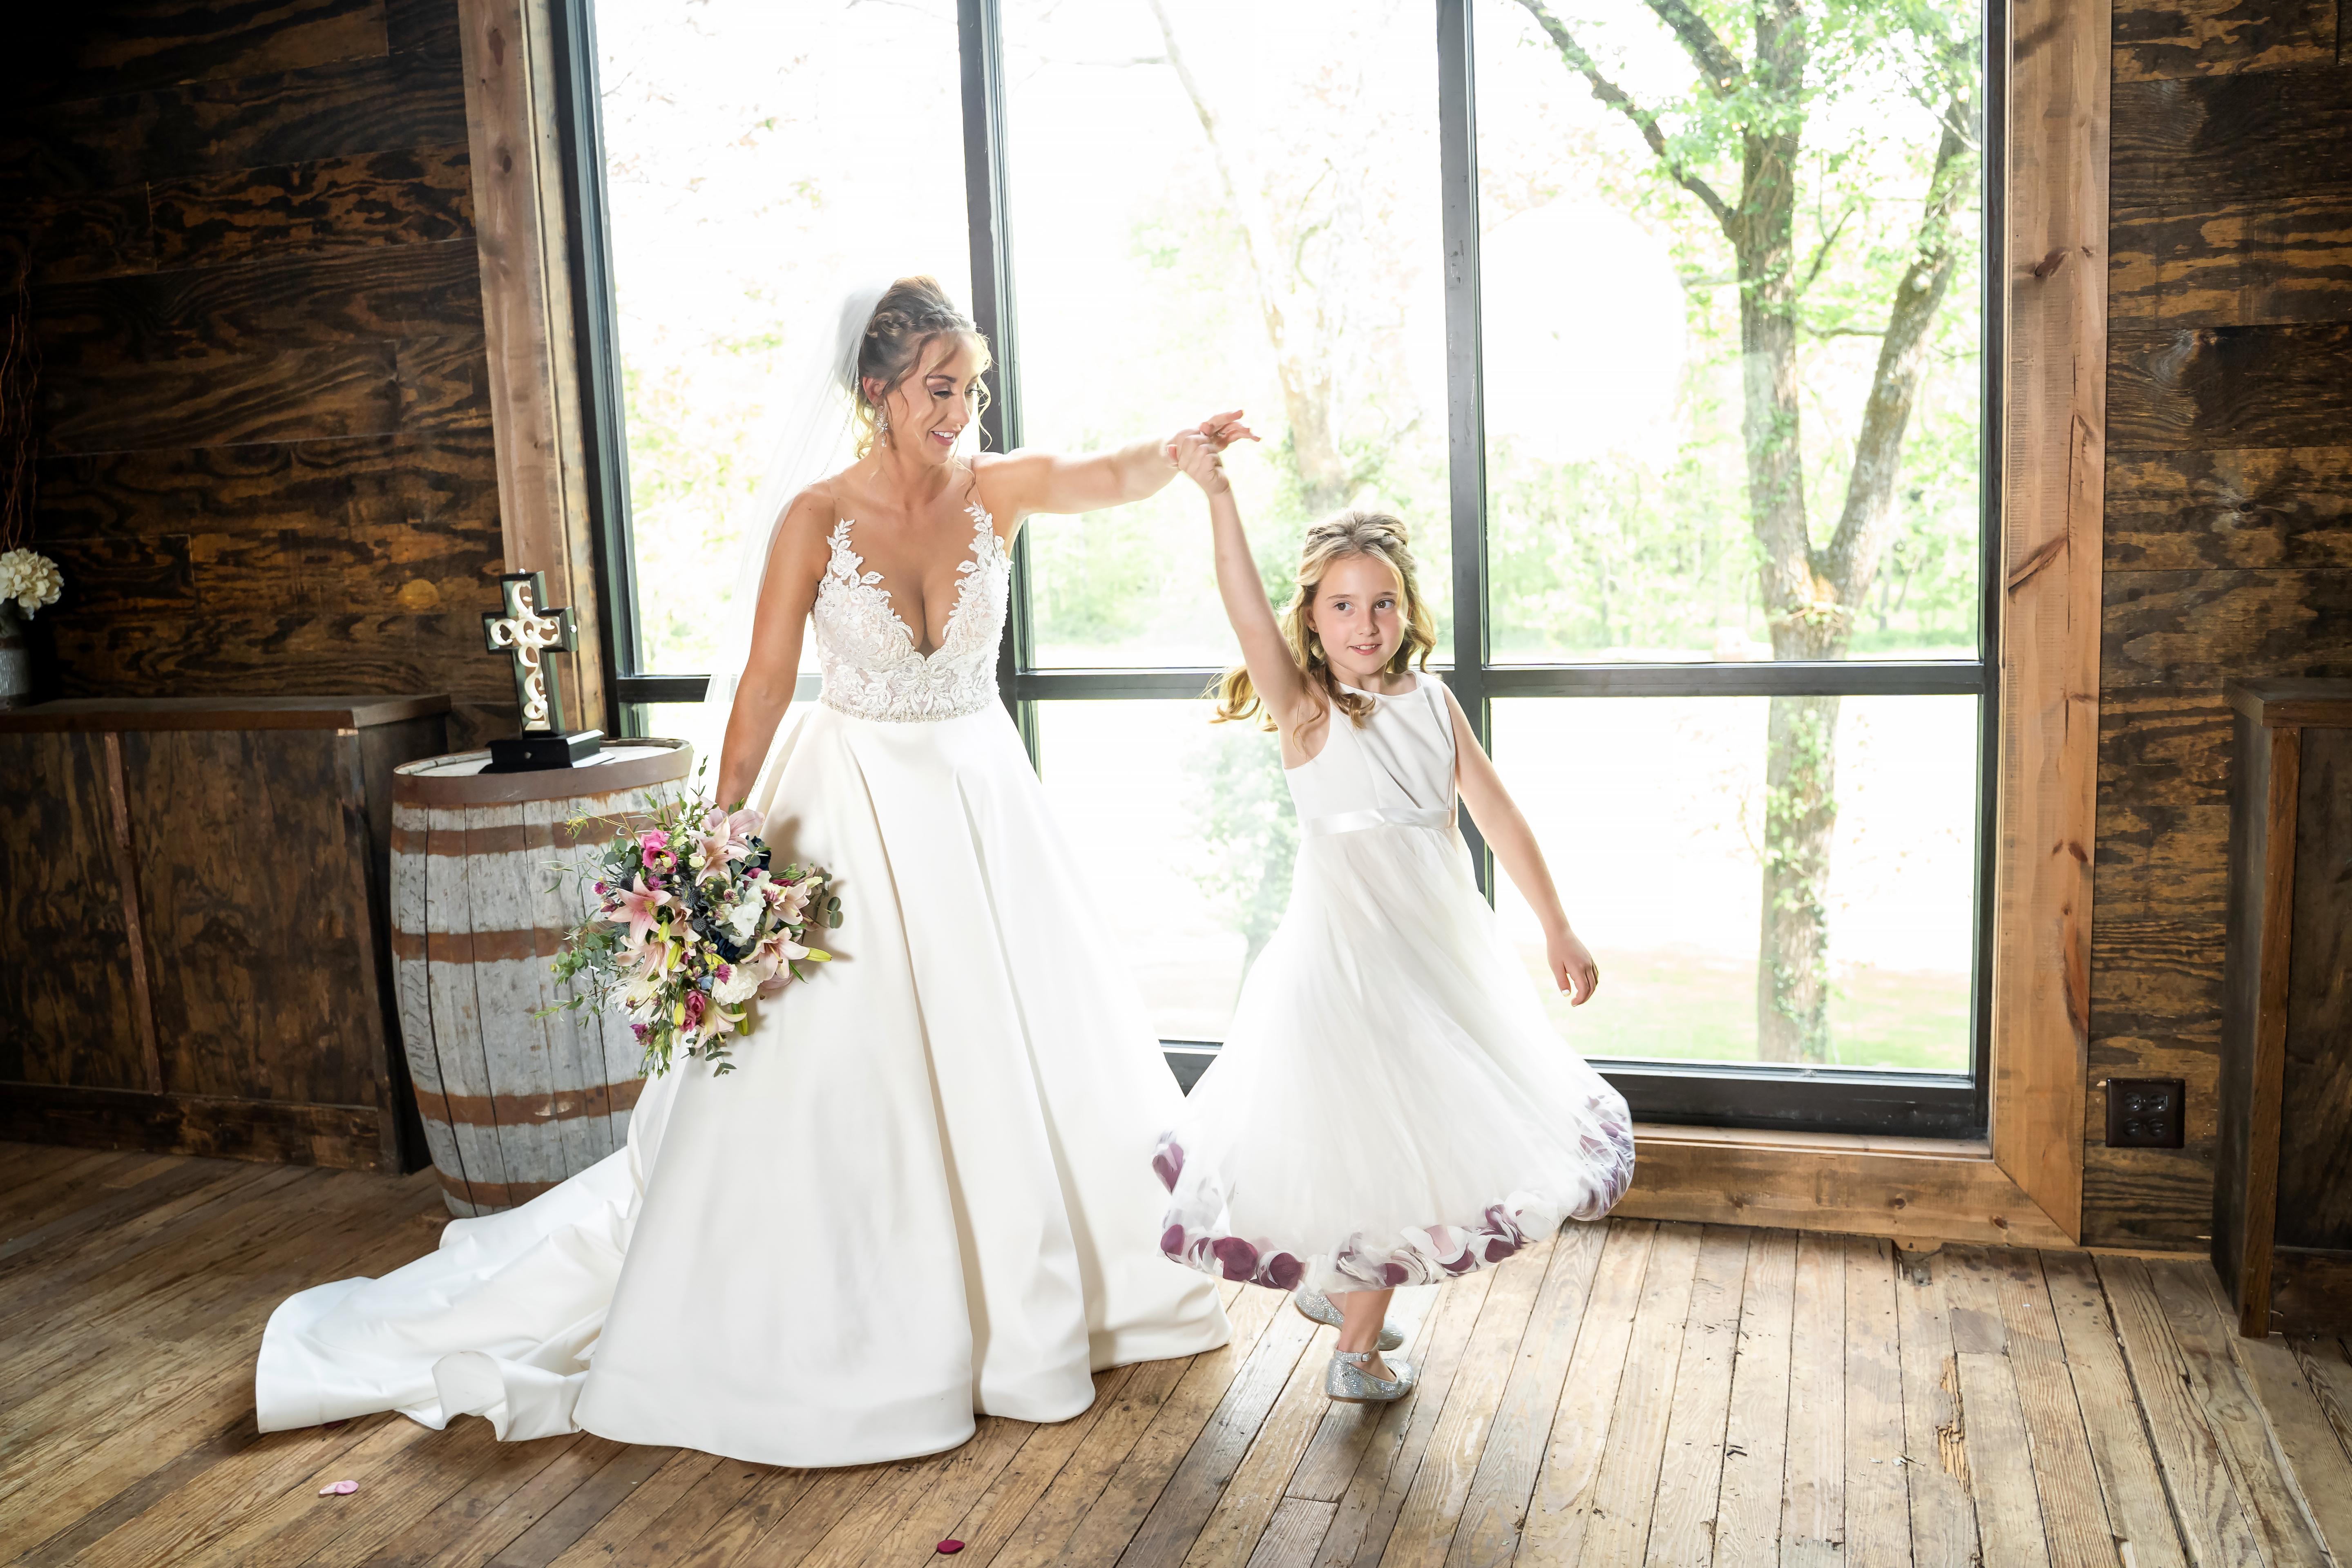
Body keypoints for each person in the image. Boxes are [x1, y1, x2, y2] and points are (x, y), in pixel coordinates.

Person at [257, 277, 1245, 1466]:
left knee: (1020, 1040)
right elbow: (767, 685)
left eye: (971, 388)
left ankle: (1049, 1297)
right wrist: (716, 852)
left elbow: (1105, 474)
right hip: (854, 807)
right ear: (876, 389)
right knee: (849, 1070)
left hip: (982, 811)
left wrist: (1179, 449)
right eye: (939, 388)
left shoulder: (995, 488)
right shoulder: (815, 518)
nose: (960, 411)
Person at [1149, 430, 1636, 1404]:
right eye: (1341, 605)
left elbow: (1497, 813)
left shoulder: (1432, 702)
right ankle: (1355, 1350)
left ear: (1405, 607)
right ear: (1310, 618)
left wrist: (1555, 923)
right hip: (1347, 965)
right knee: (1379, 1140)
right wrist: (1216, 494)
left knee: (1398, 1135)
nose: (1364, 622)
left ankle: (1342, 1284)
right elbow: (1240, 600)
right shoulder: (1308, 711)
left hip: (1435, 960)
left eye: (1380, 602)